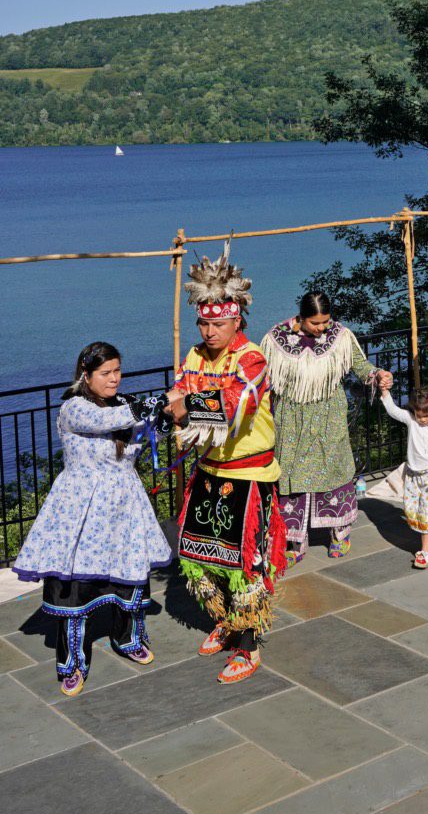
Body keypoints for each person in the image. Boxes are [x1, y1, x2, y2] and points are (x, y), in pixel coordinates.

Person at [13, 342, 176, 697]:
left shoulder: (121, 406)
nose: (115, 379)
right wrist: (160, 400)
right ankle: (71, 662)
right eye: (106, 373)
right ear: (85, 375)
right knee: (74, 587)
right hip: (80, 510)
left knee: (128, 574)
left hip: (122, 504)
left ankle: (128, 638)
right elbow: (106, 421)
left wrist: (166, 420)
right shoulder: (75, 408)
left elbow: (138, 440)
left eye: (118, 371)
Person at [170, 251, 286, 685]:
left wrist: (185, 405)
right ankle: (227, 620)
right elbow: (178, 394)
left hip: (249, 475)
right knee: (200, 556)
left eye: (217, 324)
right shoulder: (196, 356)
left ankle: (248, 645)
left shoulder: (251, 358)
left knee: (245, 561)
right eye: (203, 323)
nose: (209, 331)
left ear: (237, 320)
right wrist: (178, 403)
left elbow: (239, 402)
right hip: (209, 471)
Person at [262, 291, 391, 564]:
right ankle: (294, 540)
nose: (322, 329)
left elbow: (360, 365)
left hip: (328, 417)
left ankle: (339, 534)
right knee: (290, 476)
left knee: (334, 471)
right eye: (315, 323)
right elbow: (262, 375)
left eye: (325, 322)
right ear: (301, 317)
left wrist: (376, 374)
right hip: (291, 418)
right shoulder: (276, 339)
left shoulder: (340, 336)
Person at [379, 382, 428, 568]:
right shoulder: (411, 420)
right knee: (417, 510)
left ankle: (425, 552)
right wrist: (384, 391)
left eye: (426, 415)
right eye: (419, 415)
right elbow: (393, 410)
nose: (421, 419)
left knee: (427, 511)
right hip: (413, 475)